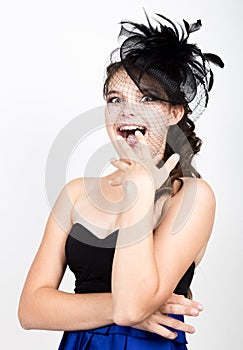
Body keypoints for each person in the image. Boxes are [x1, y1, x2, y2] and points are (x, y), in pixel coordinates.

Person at [18, 11, 224, 349]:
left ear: (174, 112)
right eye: (115, 100)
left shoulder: (192, 198)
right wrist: (130, 310)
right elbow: (30, 310)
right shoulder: (77, 194)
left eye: (147, 98)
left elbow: (131, 306)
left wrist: (141, 189)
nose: (127, 111)